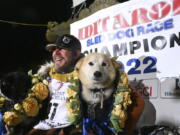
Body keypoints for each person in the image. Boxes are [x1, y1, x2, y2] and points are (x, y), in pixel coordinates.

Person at [27, 34, 83, 135]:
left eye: (62, 49)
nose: (56, 53)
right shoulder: (44, 77)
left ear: (75, 54)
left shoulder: (87, 78)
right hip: (44, 127)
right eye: (54, 49)